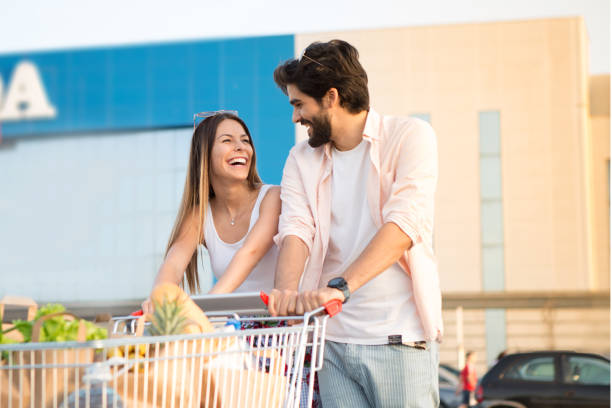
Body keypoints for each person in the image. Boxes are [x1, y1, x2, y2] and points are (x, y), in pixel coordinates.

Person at [268, 39, 443, 407]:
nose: (295, 118)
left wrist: (340, 288)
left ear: (331, 97)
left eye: (299, 104)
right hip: (331, 345)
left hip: (399, 340)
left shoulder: (410, 137)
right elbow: (296, 230)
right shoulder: (300, 159)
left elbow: (404, 224)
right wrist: (284, 294)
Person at [142, 111, 280, 313]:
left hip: (283, 327)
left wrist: (207, 306)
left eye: (245, 141)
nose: (241, 147)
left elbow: (250, 253)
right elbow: (173, 263)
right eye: (227, 140)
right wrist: (159, 295)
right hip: (239, 330)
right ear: (205, 154)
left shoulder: (273, 198)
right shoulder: (199, 215)